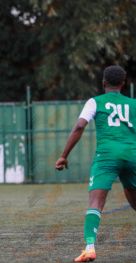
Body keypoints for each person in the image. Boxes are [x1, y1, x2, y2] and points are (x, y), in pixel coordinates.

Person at [55, 66, 136, 262]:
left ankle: (90, 247)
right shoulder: (133, 104)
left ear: (103, 83)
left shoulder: (95, 102)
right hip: (132, 155)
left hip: (107, 156)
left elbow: (80, 126)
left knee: (96, 204)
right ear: (123, 84)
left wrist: (64, 155)